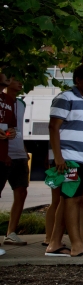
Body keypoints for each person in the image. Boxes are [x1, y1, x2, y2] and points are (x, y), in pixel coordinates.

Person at [45, 65, 83, 257]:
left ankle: (54, 243)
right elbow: (53, 127)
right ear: (77, 80)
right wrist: (59, 157)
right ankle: (76, 244)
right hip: (69, 159)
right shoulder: (65, 98)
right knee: (71, 199)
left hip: (81, 157)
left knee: (70, 200)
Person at [1, 74, 29, 245]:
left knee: (21, 191)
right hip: (3, 152)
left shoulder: (21, 104)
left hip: (19, 152)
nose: (20, 82)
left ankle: (11, 232)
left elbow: (18, 129)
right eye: (16, 78)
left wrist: (24, 150)